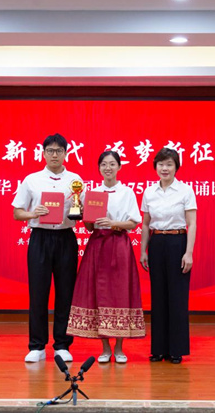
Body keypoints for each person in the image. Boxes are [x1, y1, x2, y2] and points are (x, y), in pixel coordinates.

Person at [67, 151, 145, 364]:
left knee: (120, 293)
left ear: (119, 167)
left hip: (119, 244)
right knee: (98, 293)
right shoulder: (92, 192)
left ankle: (119, 348)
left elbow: (133, 223)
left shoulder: (127, 192)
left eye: (112, 164)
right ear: (99, 168)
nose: (108, 168)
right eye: (103, 164)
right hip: (97, 245)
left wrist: (113, 224)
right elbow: (89, 226)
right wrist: (81, 210)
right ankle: (105, 348)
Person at [12, 133, 83, 363]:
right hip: (40, 239)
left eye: (59, 151)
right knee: (38, 293)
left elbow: (81, 211)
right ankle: (37, 346)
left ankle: (62, 344)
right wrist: (33, 213)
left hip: (65, 238)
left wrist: (82, 210)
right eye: (50, 151)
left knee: (66, 293)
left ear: (65, 153)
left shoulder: (75, 180)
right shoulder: (31, 180)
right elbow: (17, 212)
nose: (54, 155)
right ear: (43, 153)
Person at [140, 147, 197, 364]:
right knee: (158, 296)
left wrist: (188, 253)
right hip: (156, 243)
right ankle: (159, 349)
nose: (165, 168)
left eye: (169, 164)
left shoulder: (185, 191)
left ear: (176, 167)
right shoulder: (149, 192)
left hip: (177, 242)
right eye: (161, 164)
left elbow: (192, 224)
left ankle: (176, 349)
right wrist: (143, 250)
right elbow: (146, 224)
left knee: (177, 296)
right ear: (155, 167)